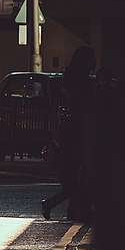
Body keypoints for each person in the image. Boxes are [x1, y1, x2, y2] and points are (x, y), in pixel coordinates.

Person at [42, 46, 94, 221]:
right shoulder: (82, 82)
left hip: (73, 130)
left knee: (74, 176)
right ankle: (77, 210)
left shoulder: (72, 80)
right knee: (79, 176)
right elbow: (86, 106)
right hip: (80, 131)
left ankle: (72, 210)